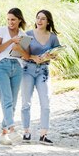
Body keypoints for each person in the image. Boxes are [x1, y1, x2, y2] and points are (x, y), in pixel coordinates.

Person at [21, 10, 61, 145]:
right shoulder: (28, 35)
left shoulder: (53, 37)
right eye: (38, 18)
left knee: (46, 103)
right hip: (27, 69)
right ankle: (26, 132)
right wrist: (33, 57)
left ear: (48, 21)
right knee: (26, 103)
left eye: (43, 19)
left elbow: (57, 54)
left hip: (43, 71)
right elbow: (18, 53)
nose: (39, 21)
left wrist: (51, 55)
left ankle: (43, 135)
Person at [0, 8, 29, 145]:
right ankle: (12, 129)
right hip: (2, 66)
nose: (10, 22)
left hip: (17, 67)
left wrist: (18, 48)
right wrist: (11, 41)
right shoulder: (1, 30)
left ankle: (4, 134)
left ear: (19, 20)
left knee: (13, 103)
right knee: (7, 99)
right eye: (8, 19)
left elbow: (25, 56)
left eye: (13, 19)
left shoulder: (23, 34)